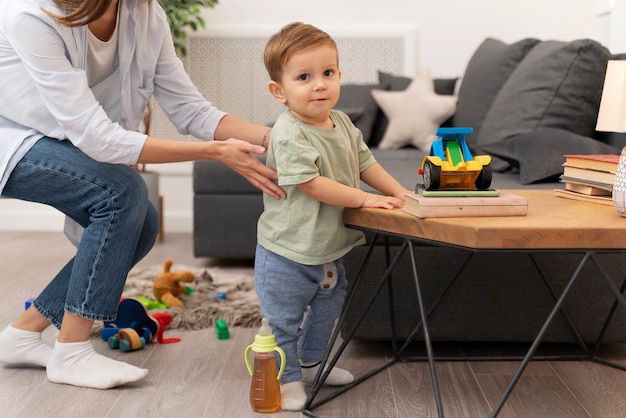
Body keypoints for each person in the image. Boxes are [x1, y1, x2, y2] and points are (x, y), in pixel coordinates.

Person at [0, 0, 286, 390]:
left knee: (143, 222)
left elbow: (191, 109)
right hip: (9, 139)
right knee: (121, 192)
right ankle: (71, 352)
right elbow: (97, 137)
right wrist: (213, 151)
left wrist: (282, 137)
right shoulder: (32, 15)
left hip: (49, 137)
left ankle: (22, 334)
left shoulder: (145, 15)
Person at [255, 22, 413, 411]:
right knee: (284, 322)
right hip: (287, 252)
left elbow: (365, 161)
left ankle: (311, 364)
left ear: (339, 75)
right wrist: (364, 200)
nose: (319, 85)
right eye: (304, 77)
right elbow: (312, 184)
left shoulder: (341, 122)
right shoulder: (288, 132)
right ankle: (287, 378)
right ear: (280, 91)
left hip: (327, 248)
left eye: (327, 73)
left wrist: (396, 191)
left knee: (328, 310)